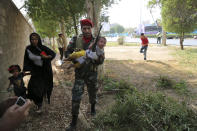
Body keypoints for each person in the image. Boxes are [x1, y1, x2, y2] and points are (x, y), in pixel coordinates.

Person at [66, 19, 105, 131]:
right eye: (84, 28)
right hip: (79, 74)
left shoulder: (97, 40)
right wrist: (76, 59)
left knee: (93, 93)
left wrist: (95, 57)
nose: (87, 30)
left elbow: (101, 60)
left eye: (88, 28)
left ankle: (93, 108)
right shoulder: (75, 39)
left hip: (92, 73)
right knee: (76, 97)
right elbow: (67, 52)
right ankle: (73, 121)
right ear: (81, 29)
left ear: (91, 28)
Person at [23, 33, 56, 113]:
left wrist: (47, 57)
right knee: (31, 88)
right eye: (32, 39)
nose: (34, 41)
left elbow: (53, 54)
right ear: (30, 40)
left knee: (39, 89)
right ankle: (38, 101)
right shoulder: (28, 49)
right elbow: (26, 60)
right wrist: (25, 70)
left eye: (36, 39)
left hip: (44, 71)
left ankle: (39, 105)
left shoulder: (43, 48)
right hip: (35, 71)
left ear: (39, 39)